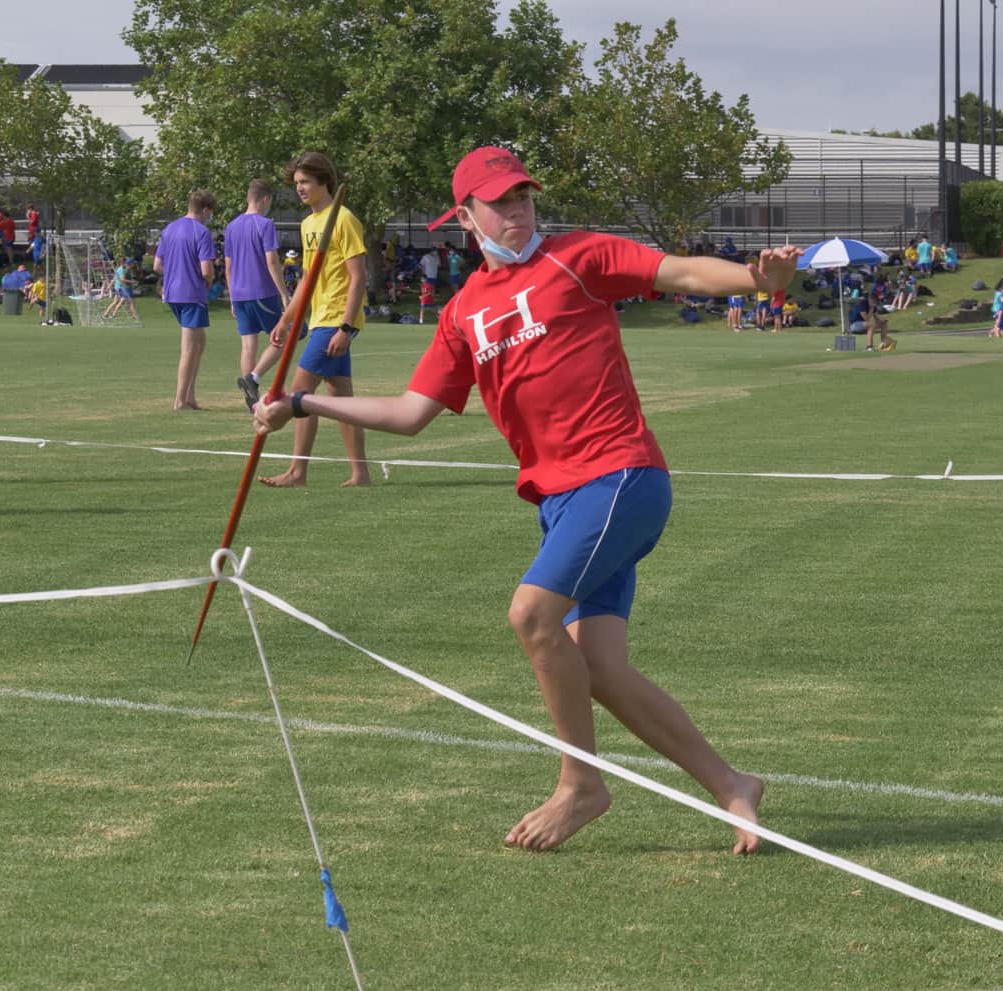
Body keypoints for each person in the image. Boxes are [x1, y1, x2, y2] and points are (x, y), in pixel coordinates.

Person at [252, 145, 793, 853]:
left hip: (621, 478)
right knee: (601, 669)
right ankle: (732, 784)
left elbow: (682, 271)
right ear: (465, 217)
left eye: (523, 197)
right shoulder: (462, 312)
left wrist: (754, 279)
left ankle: (580, 785)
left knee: (532, 615)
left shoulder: (580, 257)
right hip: (561, 502)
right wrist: (304, 403)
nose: (516, 210)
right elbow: (411, 413)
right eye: (499, 202)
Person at [259, 152, 371, 488]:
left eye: (306, 181)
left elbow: (358, 276)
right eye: (297, 183)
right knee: (341, 401)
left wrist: (346, 328)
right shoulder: (308, 224)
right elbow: (307, 279)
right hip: (321, 318)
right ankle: (361, 474)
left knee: (299, 393)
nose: (300, 189)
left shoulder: (344, 219)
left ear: (324, 181)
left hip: (337, 320)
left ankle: (297, 471)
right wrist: (286, 319)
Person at [228, 180, 292, 411]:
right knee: (286, 336)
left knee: (248, 344)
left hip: (239, 293)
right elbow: (272, 260)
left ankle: (251, 402)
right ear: (265, 199)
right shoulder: (264, 224)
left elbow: (228, 265)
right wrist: (284, 293)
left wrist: (232, 297)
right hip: (261, 292)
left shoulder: (231, 226)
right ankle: (253, 378)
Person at [154, 190, 218, 410]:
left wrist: (175, 273)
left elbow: (157, 265)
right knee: (190, 348)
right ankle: (180, 400)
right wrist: (208, 281)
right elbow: (206, 270)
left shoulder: (169, 229)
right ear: (206, 210)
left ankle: (190, 396)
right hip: (192, 293)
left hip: (173, 293)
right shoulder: (201, 232)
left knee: (199, 343)